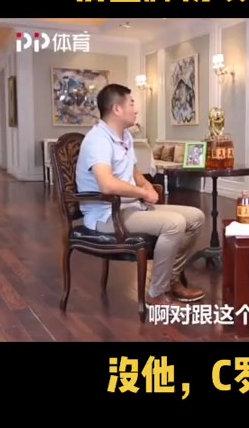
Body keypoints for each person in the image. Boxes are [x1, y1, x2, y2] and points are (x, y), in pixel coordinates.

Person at [75, 84, 206, 307]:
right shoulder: (98, 140)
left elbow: (134, 173)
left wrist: (147, 187)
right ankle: (157, 292)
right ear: (117, 109)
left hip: (131, 207)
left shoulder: (124, 136)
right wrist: (142, 192)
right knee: (174, 223)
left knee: (196, 217)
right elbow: (106, 184)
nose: (135, 109)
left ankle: (170, 279)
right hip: (107, 215)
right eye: (131, 103)